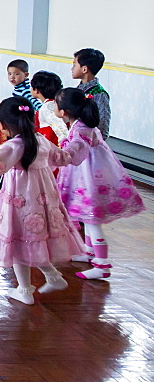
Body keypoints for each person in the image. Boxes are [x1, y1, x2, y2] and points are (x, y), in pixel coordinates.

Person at [0, 97, 89, 305]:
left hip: (21, 198)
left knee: (18, 239)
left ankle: (25, 289)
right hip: (43, 197)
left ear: (3, 125)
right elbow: (64, 158)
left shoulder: (13, 146)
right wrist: (79, 142)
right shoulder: (41, 140)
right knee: (33, 239)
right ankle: (52, 277)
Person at [54, 88, 145, 280]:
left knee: (92, 221)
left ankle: (102, 265)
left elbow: (77, 149)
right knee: (88, 218)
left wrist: (61, 153)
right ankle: (89, 251)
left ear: (63, 112)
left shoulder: (81, 129)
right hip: (87, 174)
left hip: (89, 177)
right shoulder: (81, 124)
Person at [72, 48, 110, 138]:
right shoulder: (77, 90)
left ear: (84, 69)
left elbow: (103, 124)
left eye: (74, 65)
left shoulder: (99, 94)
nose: (71, 69)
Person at [30, 71, 67, 145]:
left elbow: (60, 127)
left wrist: (64, 144)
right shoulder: (57, 103)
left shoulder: (48, 107)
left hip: (52, 145)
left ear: (36, 90)